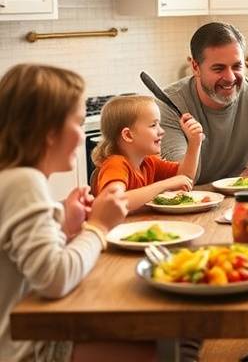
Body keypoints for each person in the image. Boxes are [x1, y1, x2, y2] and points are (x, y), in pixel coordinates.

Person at [0, 63, 148, 362]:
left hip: (30, 332)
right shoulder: (23, 182)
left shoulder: (14, 177)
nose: (83, 135)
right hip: (25, 347)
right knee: (164, 347)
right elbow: (54, 279)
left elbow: (26, 264)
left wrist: (66, 229)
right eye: (79, 123)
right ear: (48, 131)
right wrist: (98, 226)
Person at [159, 21, 248, 184]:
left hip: (236, 201)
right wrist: (239, 180)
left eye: (237, 66)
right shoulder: (169, 105)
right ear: (195, 67)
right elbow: (180, 181)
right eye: (219, 69)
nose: (230, 77)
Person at [92, 95, 203, 211]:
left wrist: (195, 143)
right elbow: (113, 202)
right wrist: (164, 185)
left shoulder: (148, 162)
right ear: (128, 135)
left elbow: (184, 178)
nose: (161, 131)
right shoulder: (115, 164)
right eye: (153, 125)